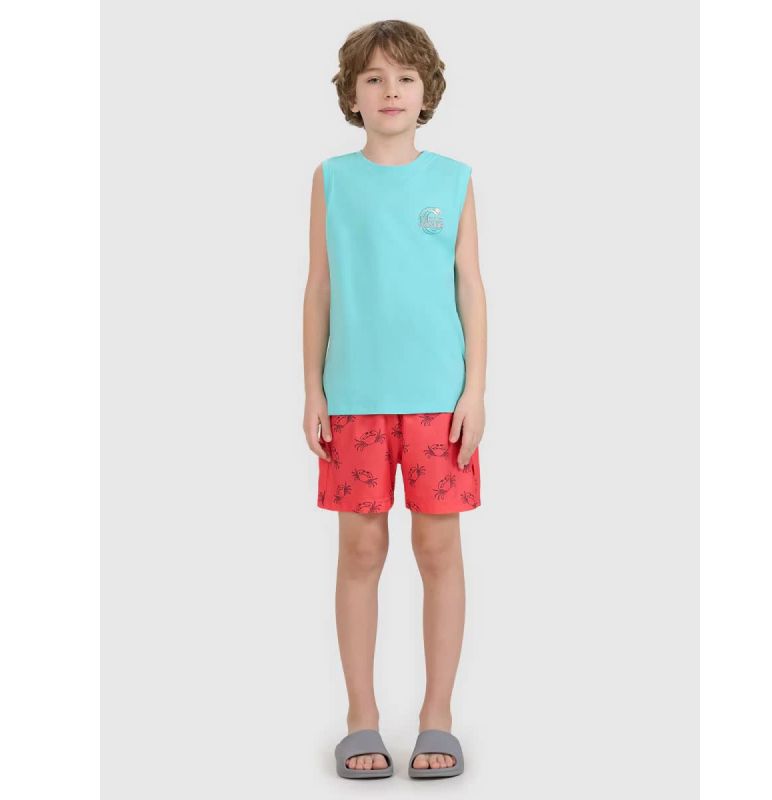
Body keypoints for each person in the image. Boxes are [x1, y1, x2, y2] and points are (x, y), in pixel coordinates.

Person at [302, 19, 487, 780]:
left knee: (438, 550)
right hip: (354, 400)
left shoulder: (455, 179)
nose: (389, 91)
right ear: (352, 94)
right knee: (360, 552)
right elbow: (320, 287)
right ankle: (361, 717)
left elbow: (470, 288)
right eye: (373, 78)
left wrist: (476, 391)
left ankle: (438, 714)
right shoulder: (331, 180)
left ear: (426, 92)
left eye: (404, 78)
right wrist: (311, 390)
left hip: (439, 403)